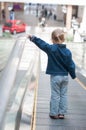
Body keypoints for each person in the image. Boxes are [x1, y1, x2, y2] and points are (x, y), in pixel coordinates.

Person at [27, 28, 76, 119]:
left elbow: (42, 44)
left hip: (55, 77)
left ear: (52, 39)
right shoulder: (67, 52)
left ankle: (53, 113)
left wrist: (33, 38)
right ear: (63, 39)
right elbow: (71, 65)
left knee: (55, 94)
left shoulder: (51, 49)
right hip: (65, 77)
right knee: (64, 94)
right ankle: (61, 113)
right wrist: (73, 75)